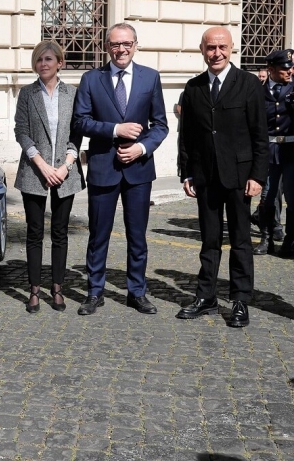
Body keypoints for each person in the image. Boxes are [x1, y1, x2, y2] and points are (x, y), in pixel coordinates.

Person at [72, 23, 169, 315]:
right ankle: (94, 291)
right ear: (106, 47)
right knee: (98, 234)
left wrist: (141, 147)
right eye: (115, 44)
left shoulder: (150, 78)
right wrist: (116, 129)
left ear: (136, 45)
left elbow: (161, 125)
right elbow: (80, 122)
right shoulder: (91, 79)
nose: (121, 49)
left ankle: (136, 291)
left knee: (137, 235)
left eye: (127, 43)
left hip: (139, 169)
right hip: (103, 167)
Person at [176, 27, 268, 327]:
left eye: (222, 47)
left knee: (241, 241)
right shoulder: (193, 88)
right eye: (211, 48)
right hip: (205, 176)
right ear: (202, 50)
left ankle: (240, 300)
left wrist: (258, 176)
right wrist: (187, 171)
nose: (216, 53)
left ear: (231, 49)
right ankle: (207, 297)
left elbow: (259, 136)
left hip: (240, 177)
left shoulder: (249, 84)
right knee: (209, 240)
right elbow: (186, 136)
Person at [14, 40, 85, 313]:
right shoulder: (27, 93)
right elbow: (21, 131)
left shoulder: (72, 94)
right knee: (34, 233)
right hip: (35, 171)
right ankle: (34, 290)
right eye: (39, 60)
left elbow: (77, 133)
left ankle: (57, 288)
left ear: (59, 63)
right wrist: (41, 165)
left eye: (48, 59)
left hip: (65, 172)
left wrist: (66, 165)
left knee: (60, 232)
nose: (43, 64)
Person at [253, 49, 294, 256]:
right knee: (268, 197)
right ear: (271, 69)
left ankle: (290, 240)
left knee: (293, 198)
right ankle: (266, 238)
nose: (290, 71)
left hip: (291, 152)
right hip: (267, 152)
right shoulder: (258, 92)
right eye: (286, 68)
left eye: (292, 67)